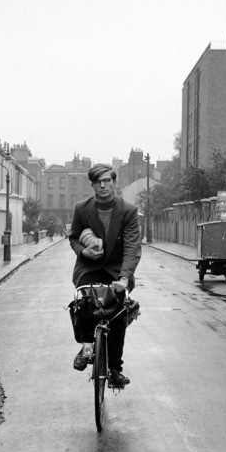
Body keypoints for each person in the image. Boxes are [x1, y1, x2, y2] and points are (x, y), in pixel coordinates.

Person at [69, 163, 142, 388]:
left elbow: (132, 246)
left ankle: (114, 369)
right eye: (98, 182)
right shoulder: (82, 208)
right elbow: (73, 237)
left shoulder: (128, 211)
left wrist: (124, 277)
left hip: (117, 269)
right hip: (89, 267)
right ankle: (87, 346)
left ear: (113, 182)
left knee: (118, 312)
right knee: (83, 304)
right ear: (92, 185)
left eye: (107, 181)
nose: (103, 185)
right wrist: (84, 251)